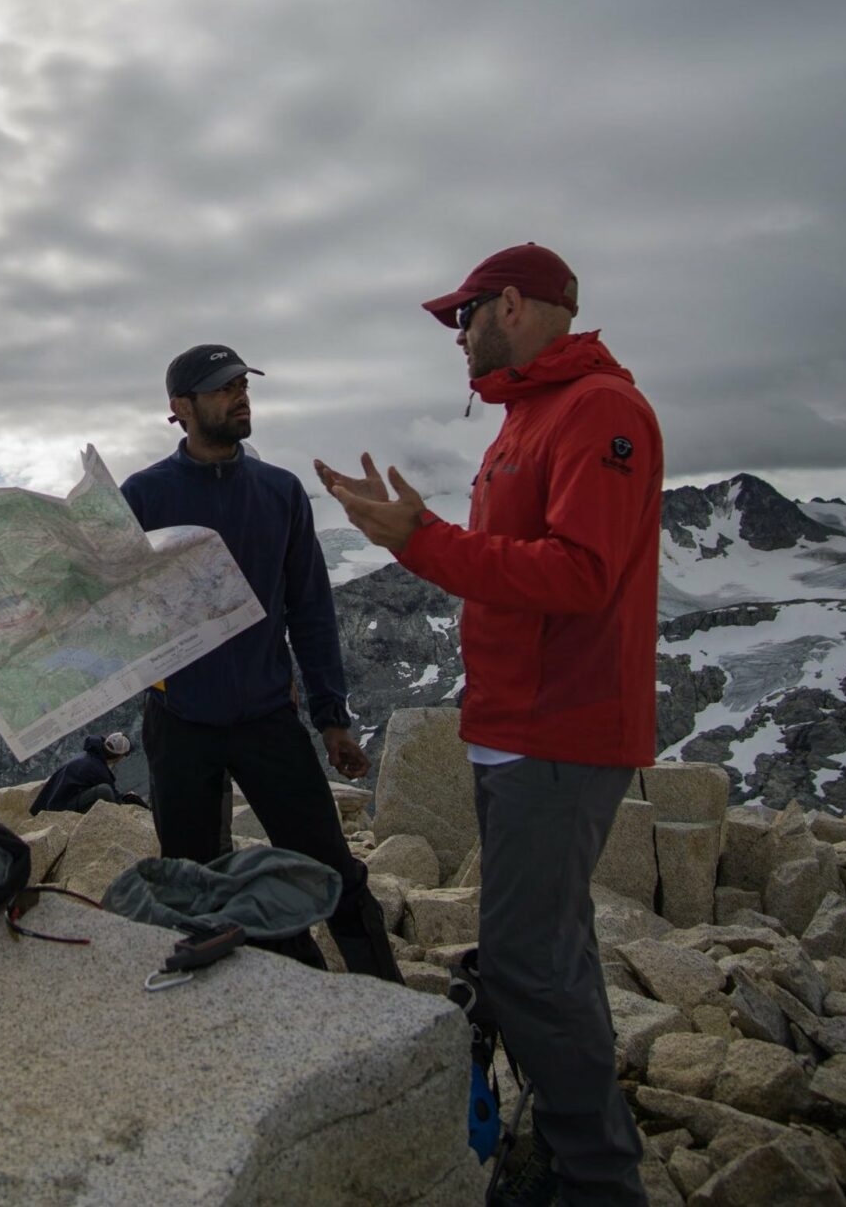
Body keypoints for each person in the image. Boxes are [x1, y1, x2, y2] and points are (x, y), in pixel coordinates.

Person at [316, 243, 661, 1207]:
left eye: (463, 317)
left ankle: (595, 1182)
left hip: (562, 730)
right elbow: (514, 559)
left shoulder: (600, 413)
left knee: (524, 967)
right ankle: (576, 1148)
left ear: (513, 304)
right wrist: (420, 531)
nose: (457, 337)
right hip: (517, 727)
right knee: (551, 952)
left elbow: (581, 575)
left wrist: (418, 539)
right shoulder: (528, 419)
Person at [120, 344, 401, 983]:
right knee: (192, 884)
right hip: (179, 720)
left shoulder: (279, 492)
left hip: (267, 717)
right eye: (223, 388)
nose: (240, 396)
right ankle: (227, 1016)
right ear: (180, 409)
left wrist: (332, 717)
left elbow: (310, 608)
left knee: (332, 872)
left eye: (243, 384)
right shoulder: (142, 495)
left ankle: (393, 999)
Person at [29, 731, 147, 816]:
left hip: (51, 802)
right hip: (59, 810)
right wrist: (129, 799)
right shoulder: (99, 770)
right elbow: (113, 797)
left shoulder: (89, 756)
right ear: (119, 757)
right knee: (104, 790)